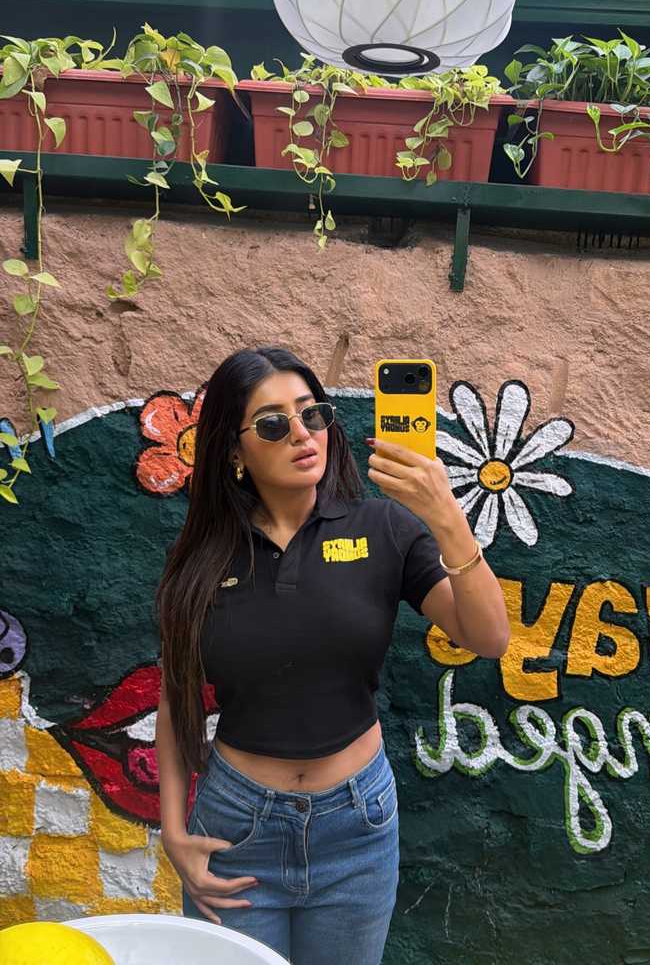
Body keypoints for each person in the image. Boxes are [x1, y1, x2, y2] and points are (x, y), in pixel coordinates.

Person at [155, 346, 510, 965]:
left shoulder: (384, 529)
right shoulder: (205, 559)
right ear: (235, 452)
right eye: (273, 424)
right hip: (237, 828)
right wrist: (173, 832)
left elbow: (489, 637)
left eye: (312, 414)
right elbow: (174, 697)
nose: (301, 434)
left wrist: (446, 516)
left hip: (357, 827)